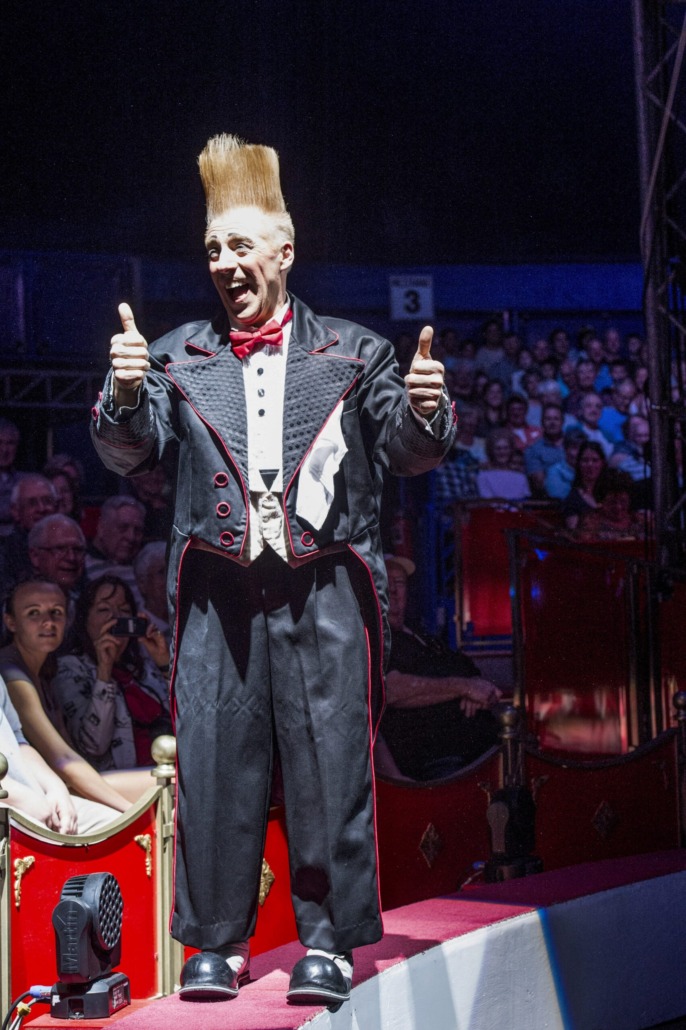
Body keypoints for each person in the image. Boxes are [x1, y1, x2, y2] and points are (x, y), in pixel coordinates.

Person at [89, 133, 454, 1005]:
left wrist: (427, 409)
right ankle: (215, 941)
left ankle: (329, 941)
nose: (225, 262)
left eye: (241, 245)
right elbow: (130, 452)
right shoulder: (178, 355)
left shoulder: (356, 353)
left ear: (284, 251)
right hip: (217, 594)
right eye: (214, 248)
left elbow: (407, 452)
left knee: (331, 759)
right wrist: (126, 394)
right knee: (215, 760)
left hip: (324, 588)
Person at [0, 579, 138, 815]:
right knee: (165, 786)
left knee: (168, 783)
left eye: (56, 612)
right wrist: (132, 813)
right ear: (11, 622)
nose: (48, 622)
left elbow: (70, 752)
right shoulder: (11, 674)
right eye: (33, 613)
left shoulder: (45, 670)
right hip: (40, 794)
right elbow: (62, 760)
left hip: (62, 785)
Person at [375, 556, 501, 781]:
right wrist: (464, 688)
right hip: (439, 765)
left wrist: (475, 687)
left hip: (481, 752)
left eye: (399, 582)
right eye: (385, 582)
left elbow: (467, 668)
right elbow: (390, 689)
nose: (393, 590)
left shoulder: (423, 634)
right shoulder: (377, 638)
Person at [51, 575, 172, 772]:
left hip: (168, 770)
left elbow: (188, 722)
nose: (116, 618)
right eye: (104, 610)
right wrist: (104, 672)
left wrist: (165, 664)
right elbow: (94, 746)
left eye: (124, 610)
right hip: (123, 779)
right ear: (85, 619)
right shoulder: (68, 668)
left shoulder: (140, 665)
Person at [85, 495, 146, 605]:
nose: (131, 537)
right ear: (101, 528)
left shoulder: (146, 568)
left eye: (137, 531)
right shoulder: (80, 566)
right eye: (123, 528)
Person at [562, 441, 610, 531]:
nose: (590, 465)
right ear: (578, 464)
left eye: (595, 460)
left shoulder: (611, 492)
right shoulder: (573, 500)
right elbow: (573, 533)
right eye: (585, 460)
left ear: (602, 463)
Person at [477, 429, 531, 502]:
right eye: (498, 449)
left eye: (506, 448)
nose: (502, 452)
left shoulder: (521, 476)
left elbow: (524, 502)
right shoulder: (483, 476)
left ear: (511, 450)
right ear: (491, 451)